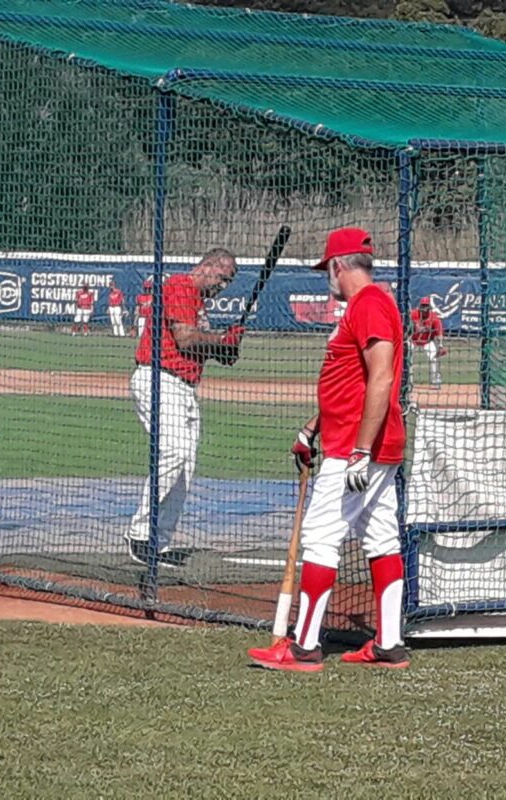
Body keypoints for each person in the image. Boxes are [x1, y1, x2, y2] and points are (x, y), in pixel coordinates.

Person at [248, 227, 409, 672]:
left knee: (320, 539)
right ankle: (389, 644)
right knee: (381, 539)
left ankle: (302, 648)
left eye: (327, 270)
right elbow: (349, 384)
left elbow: (380, 377)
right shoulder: (368, 305)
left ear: (339, 266)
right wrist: (311, 428)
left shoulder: (370, 303)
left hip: (356, 449)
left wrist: (358, 450)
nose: (327, 279)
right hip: (361, 443)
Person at [124, 249, 244, 568]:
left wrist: (225, 349)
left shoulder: (198, 303)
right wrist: (221, 340)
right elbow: (187, 339)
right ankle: (139, 534)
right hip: (160, 379)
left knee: (184, 468)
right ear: (206, 266)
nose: (223, 286)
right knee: (174, 453)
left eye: (228, 282)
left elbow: (204, 349)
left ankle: (158, 543)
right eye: (222, 277)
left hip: (185, 387)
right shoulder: (180, 286)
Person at [410, 296, 445, 388]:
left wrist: (440, 345)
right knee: (407, 359)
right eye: (423, 305)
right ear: (420, 306)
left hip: (427, 341)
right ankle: (408, 381)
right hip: (413, 340)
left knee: (433, 358)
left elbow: (439, 332)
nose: (424, 308)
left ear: (429, 307)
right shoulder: (413, 314)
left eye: (426, 306)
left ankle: (435, 380)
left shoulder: (434, 317)